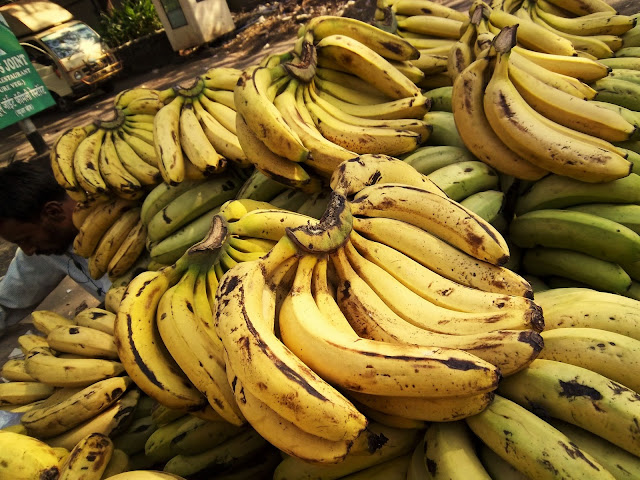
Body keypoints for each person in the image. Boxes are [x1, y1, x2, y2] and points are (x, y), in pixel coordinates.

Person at [0, 155, 111, 337]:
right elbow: (8, 300)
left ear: (53, 211)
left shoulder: (128, 222)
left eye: (26, 239)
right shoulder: (46, 246)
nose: (28, 250)